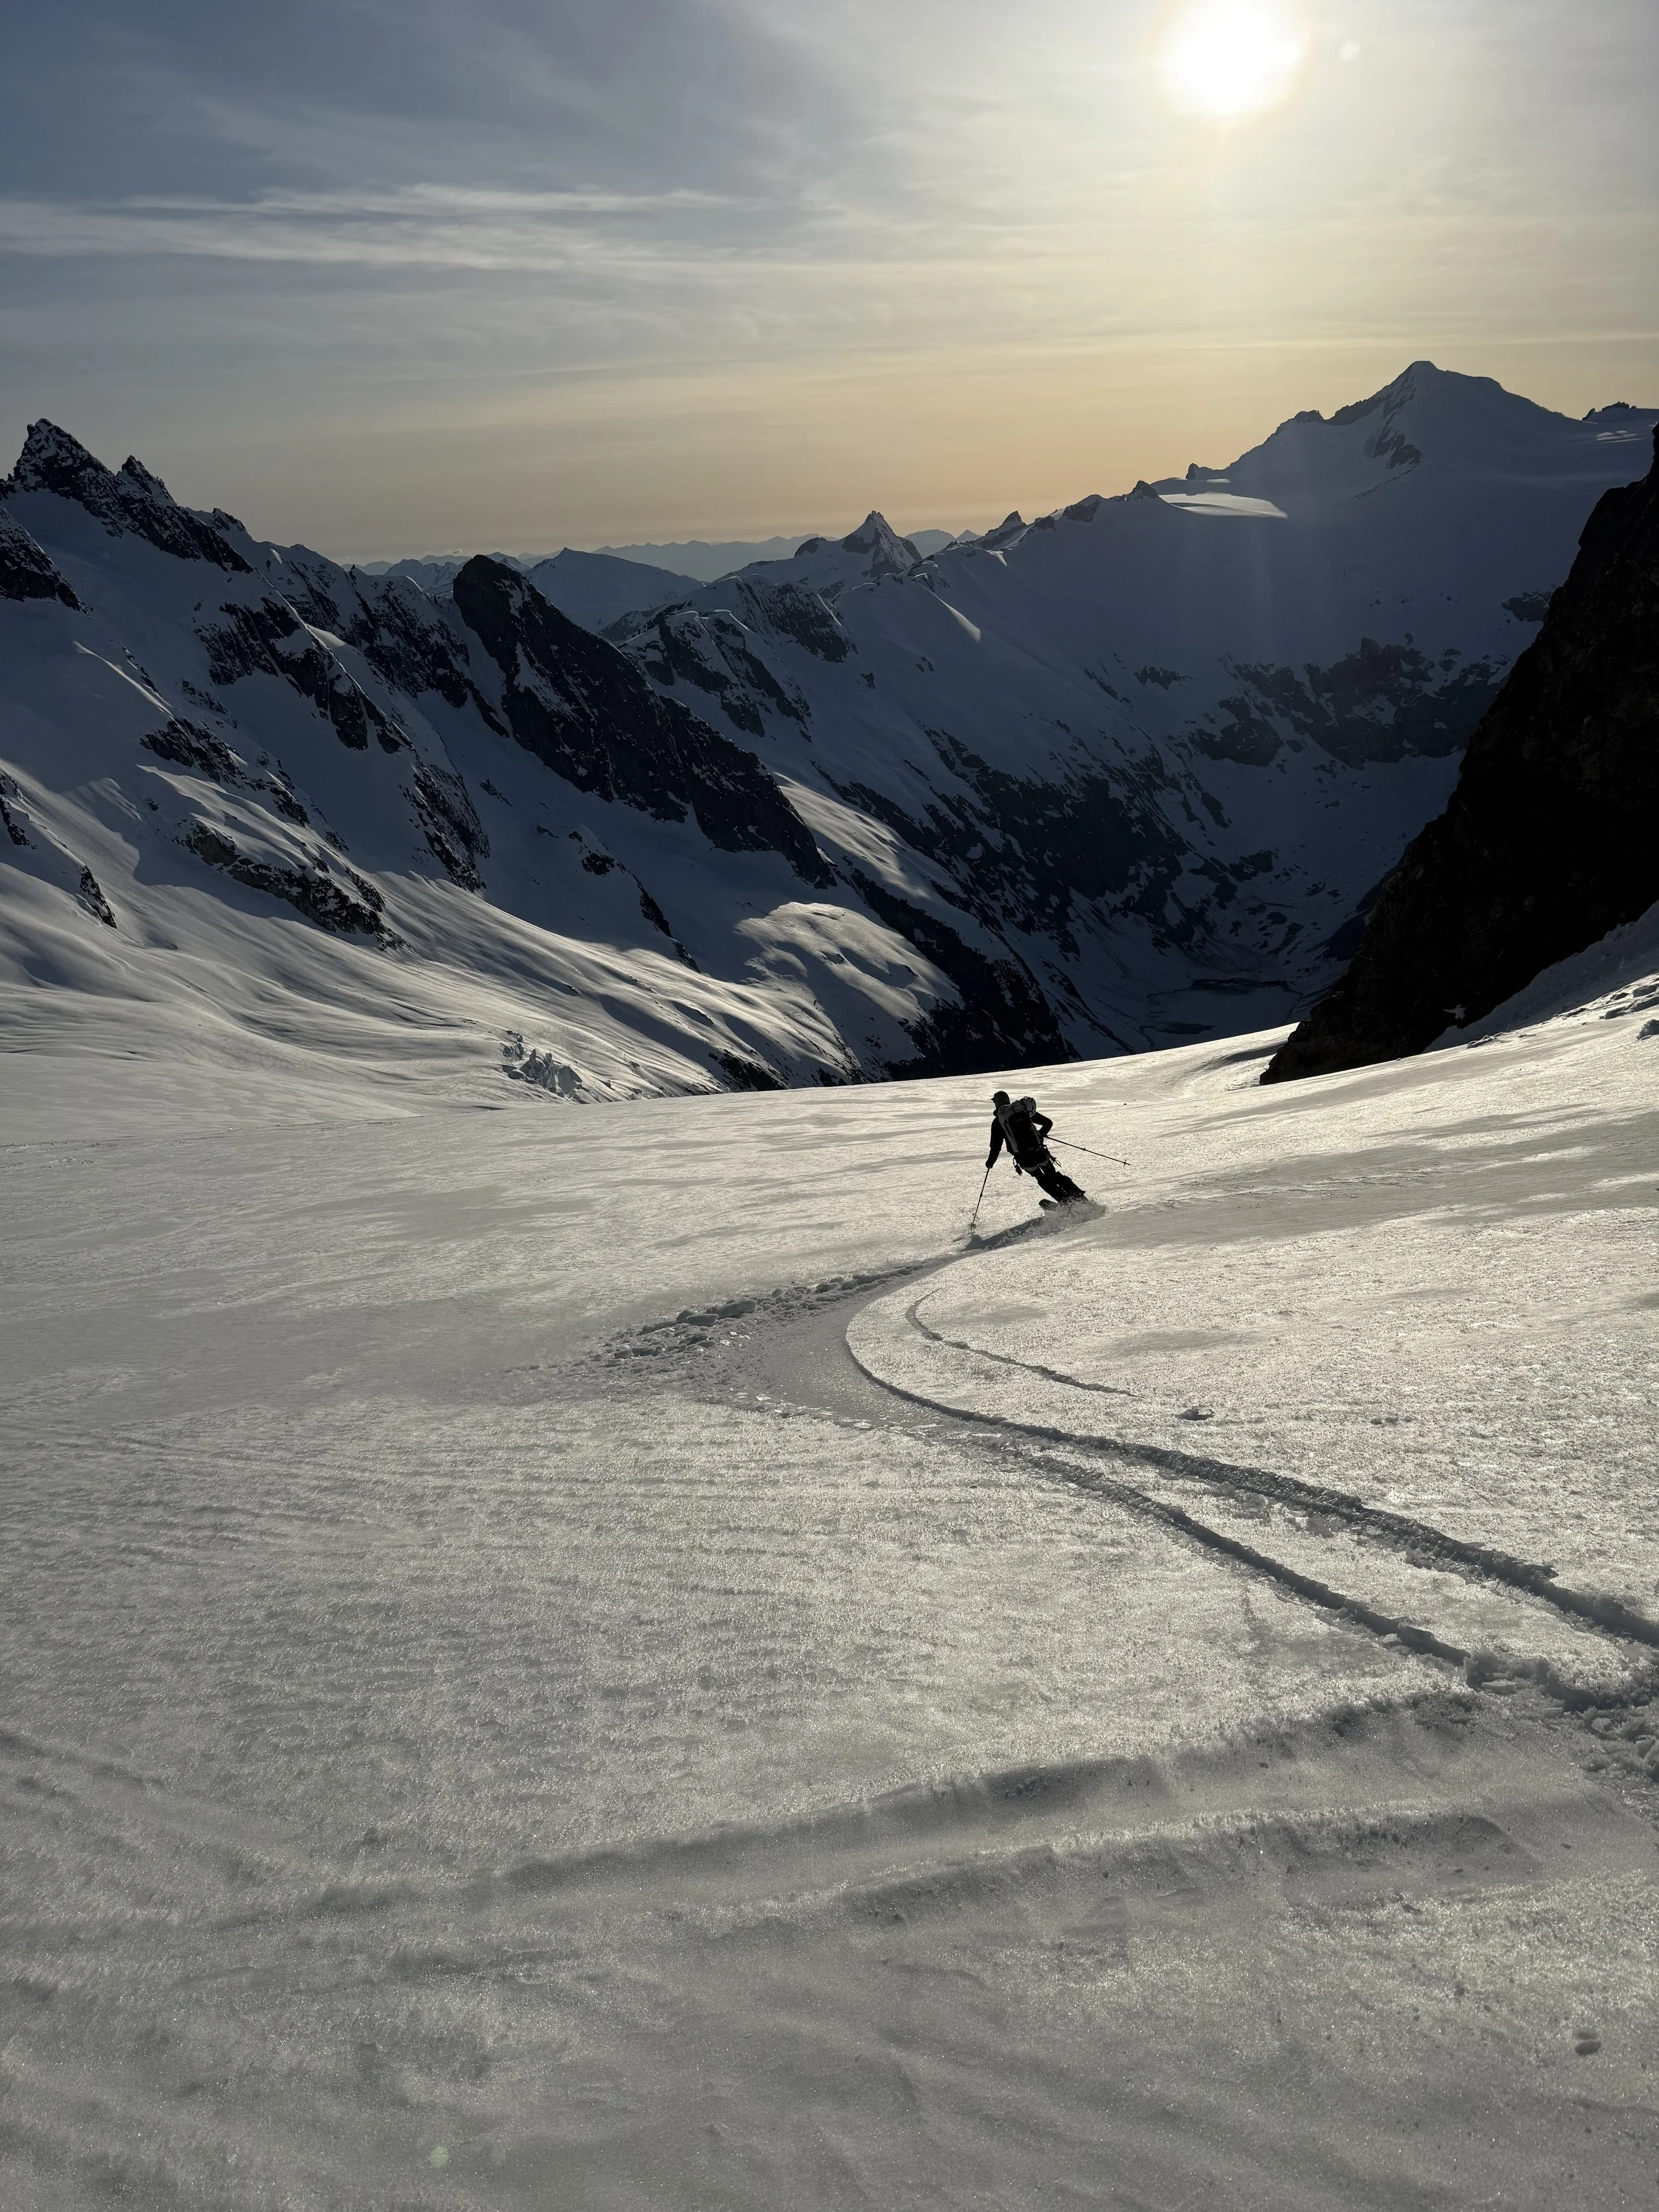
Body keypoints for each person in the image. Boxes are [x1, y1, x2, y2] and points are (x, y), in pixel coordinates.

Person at [986, 1090, 1088, 1205]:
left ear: (996, 1104)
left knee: (1041, 1178)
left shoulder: (997, 1122)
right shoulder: (1021, 1110)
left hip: (1024, 1159)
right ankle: (1080, 1198)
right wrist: (1039, 1135)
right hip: (1039, 1152)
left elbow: (995, 1147)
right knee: (1053, 1174)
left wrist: (990, 1163)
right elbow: (1048, 1123)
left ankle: (1065, 1202)